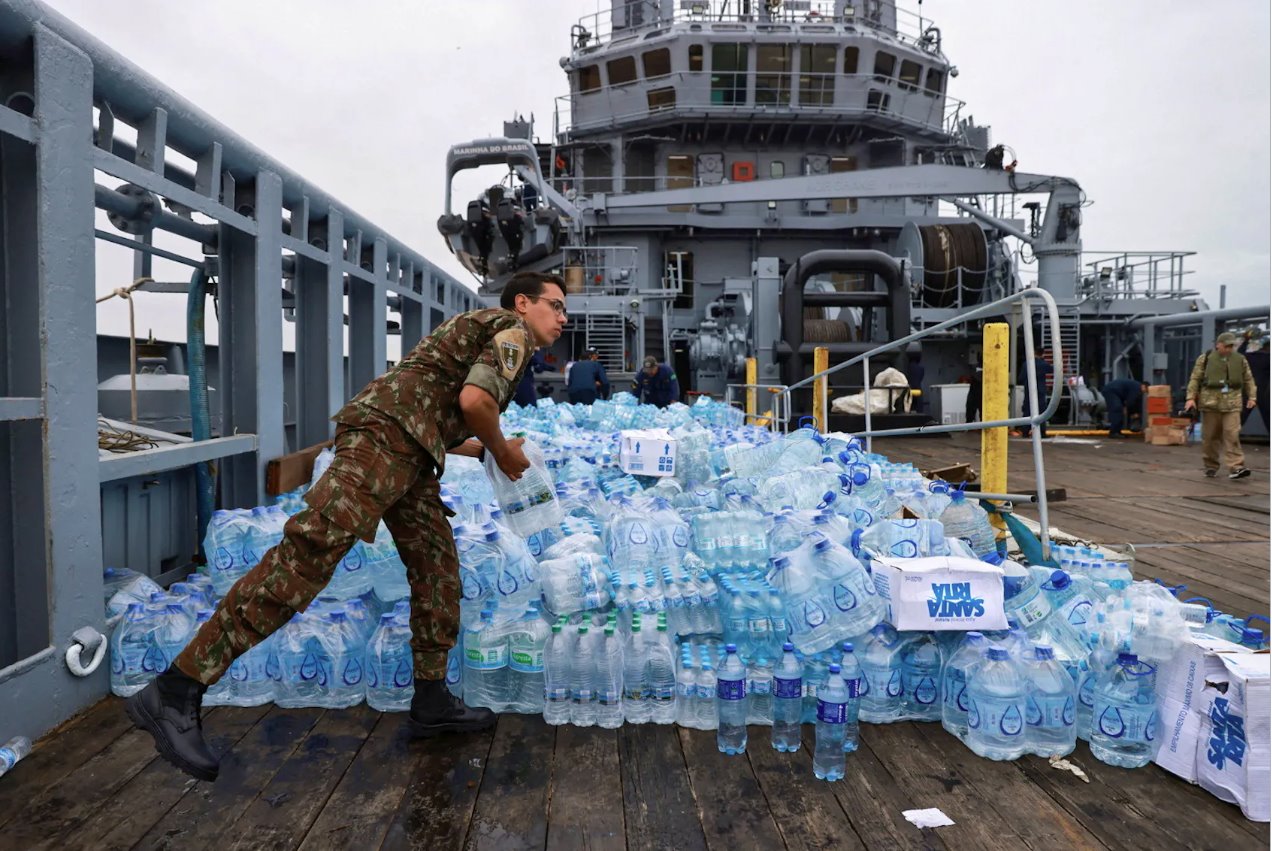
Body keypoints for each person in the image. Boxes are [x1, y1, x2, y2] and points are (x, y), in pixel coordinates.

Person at [124, 271, 568, 782]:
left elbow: (437, 407)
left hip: (409, 449)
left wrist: (483, 451)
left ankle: (432, 700)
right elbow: (475, 403)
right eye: (554, 306)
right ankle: (176, 690)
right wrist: (501, 451)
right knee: (306, 559)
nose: (560, 318)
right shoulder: (511, 331)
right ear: (522, 302)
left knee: (437, 570)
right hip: (383, 444)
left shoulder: (489, 333)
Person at [1185, 331, 1257, 479]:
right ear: (1218, 345)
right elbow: (1195, 378)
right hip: (1211, 404)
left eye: (1231, 346)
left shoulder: (1240, 360)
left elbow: (1248, 379)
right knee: (1210, 437)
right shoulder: (1205, 359)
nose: (1229, 349)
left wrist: (1252, 396)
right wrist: (1190, 398)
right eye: (1226, 346)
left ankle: (1237, 467)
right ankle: (1211, 465)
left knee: (1232, 435)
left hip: (1232, 404)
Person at [1018, 350, 1053, 438]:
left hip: (1029, 390)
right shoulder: (1043, 364)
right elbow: (1051, 369)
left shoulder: (1026, 364)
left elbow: (1021, 378)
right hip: (1040, 391)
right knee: (1041, 412)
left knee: (1027, 410)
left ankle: (1025, 432)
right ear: (1042, 354)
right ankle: (1042, 432)